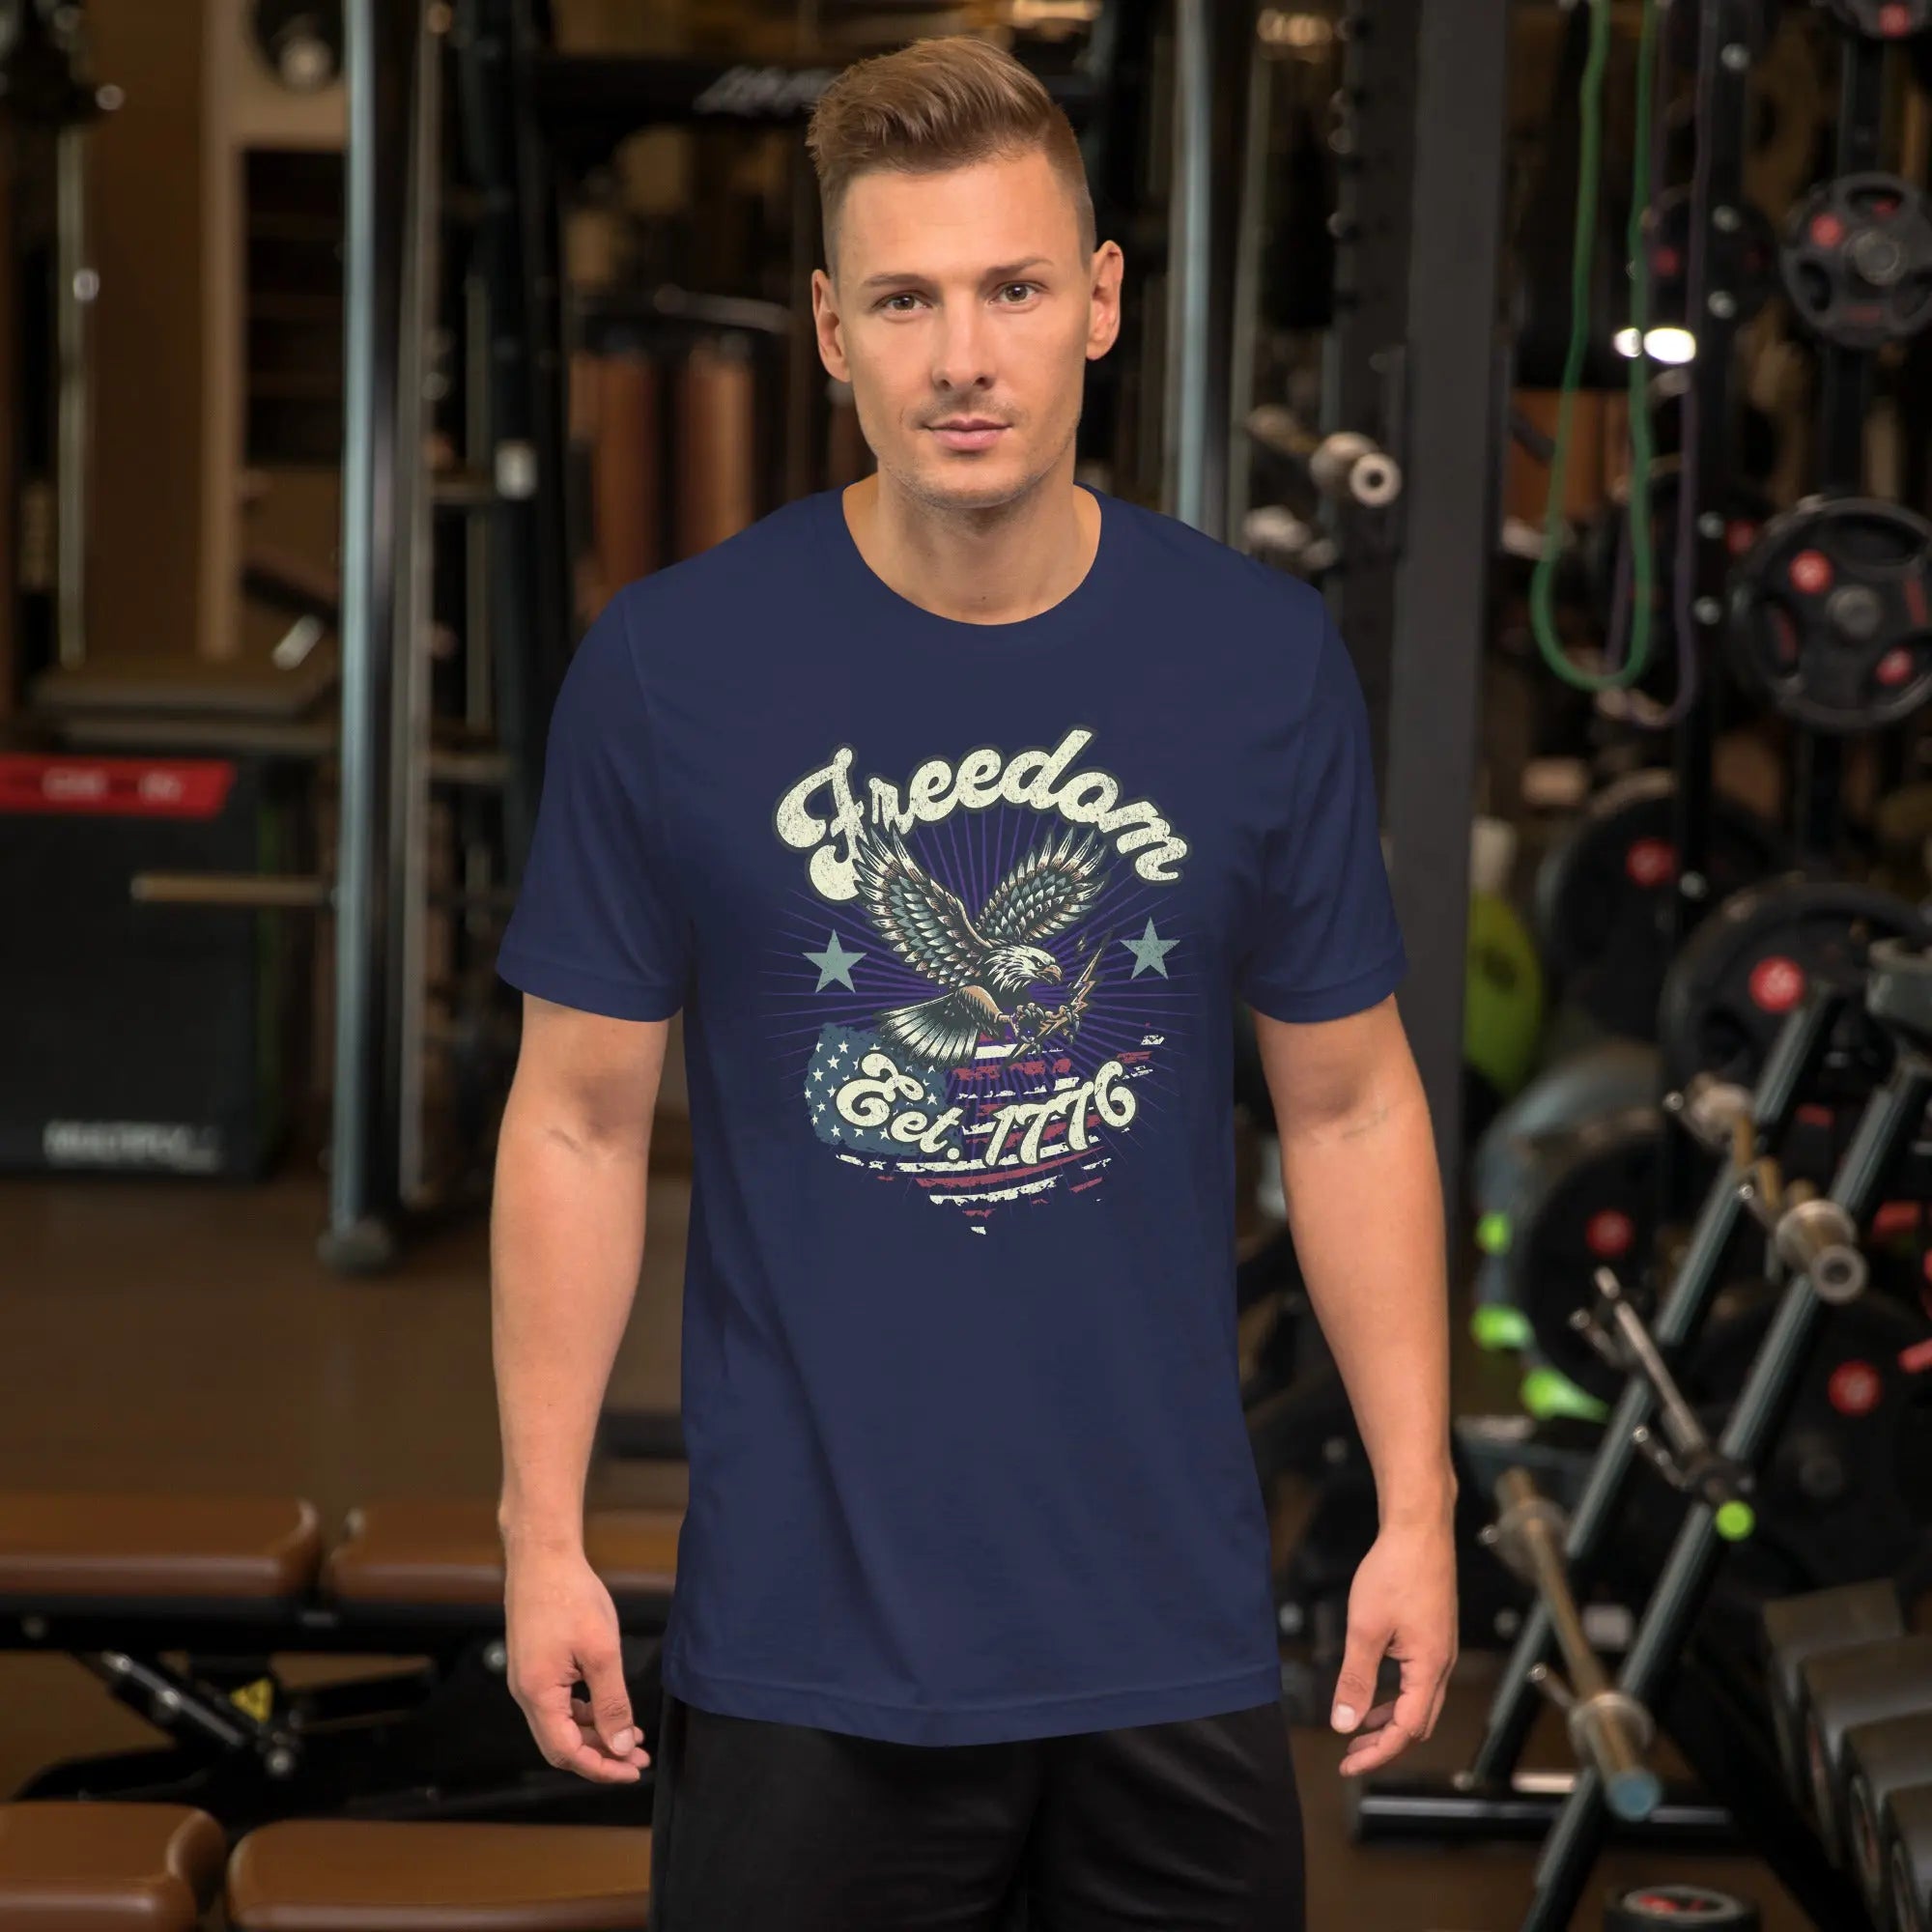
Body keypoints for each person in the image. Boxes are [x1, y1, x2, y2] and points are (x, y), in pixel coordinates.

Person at [491, 32, 1455, 1932]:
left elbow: (1350, 1100)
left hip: (1163, 1638)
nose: (962, 357)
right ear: (831, 328)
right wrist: (541, 1534)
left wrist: (1412, 1511)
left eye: (1012, 288)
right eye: (908, 300)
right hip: (804, 1646)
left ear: (1098, 305)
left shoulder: (1254, 664)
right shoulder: (675, 670)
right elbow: (578, 1120)